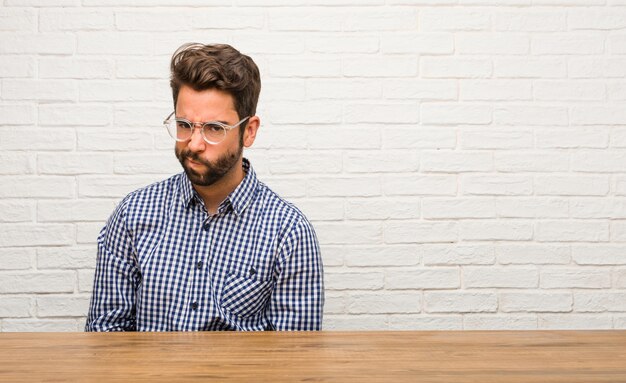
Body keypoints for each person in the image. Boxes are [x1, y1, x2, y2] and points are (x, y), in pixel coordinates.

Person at [85, 43, 324, 331]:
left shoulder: (288, 233)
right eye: (184, 124)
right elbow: (105, 335)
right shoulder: (132, 215)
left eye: (214, 128)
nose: (194, 145)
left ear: (249, 131)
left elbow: (294, 357)